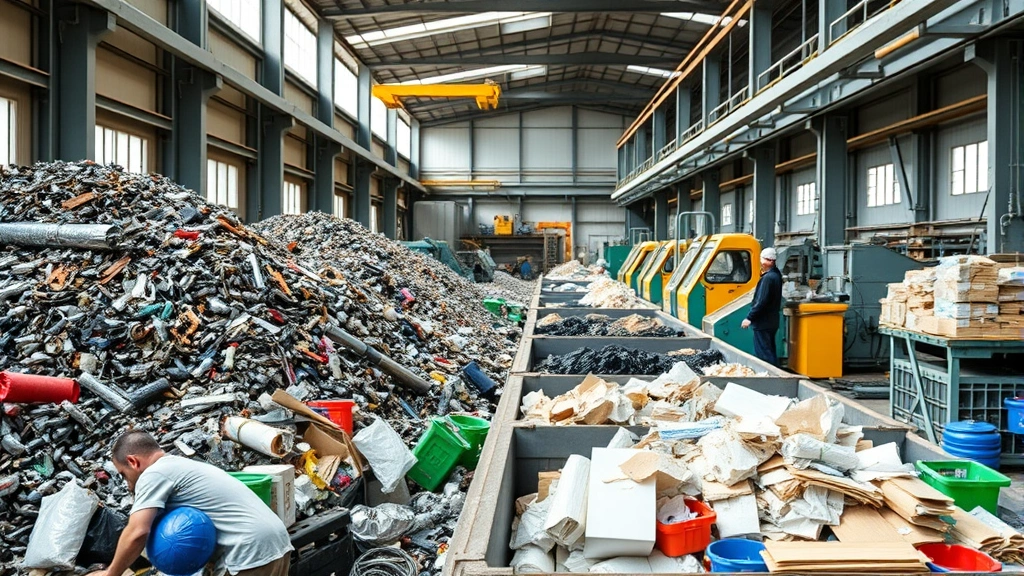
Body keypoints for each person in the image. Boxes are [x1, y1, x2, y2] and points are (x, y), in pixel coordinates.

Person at [96, 430, 293, 576]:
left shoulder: (154, 473)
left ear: (133, 461)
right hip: (276, 541)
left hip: (249, 550)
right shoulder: (182, 464)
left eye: (124, 475)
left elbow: (138, 531)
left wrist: (111, 573)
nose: (128, 484)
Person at [741, 247, 783, 366]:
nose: (761, 262)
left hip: (763, 322)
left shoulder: (768, 278)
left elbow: (761, 301)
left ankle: (770, 375)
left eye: (763, 259)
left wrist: (749, 318)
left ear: (770, 261)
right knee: (769, 350)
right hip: (771, 321)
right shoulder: (776, 275)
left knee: (764, 355)